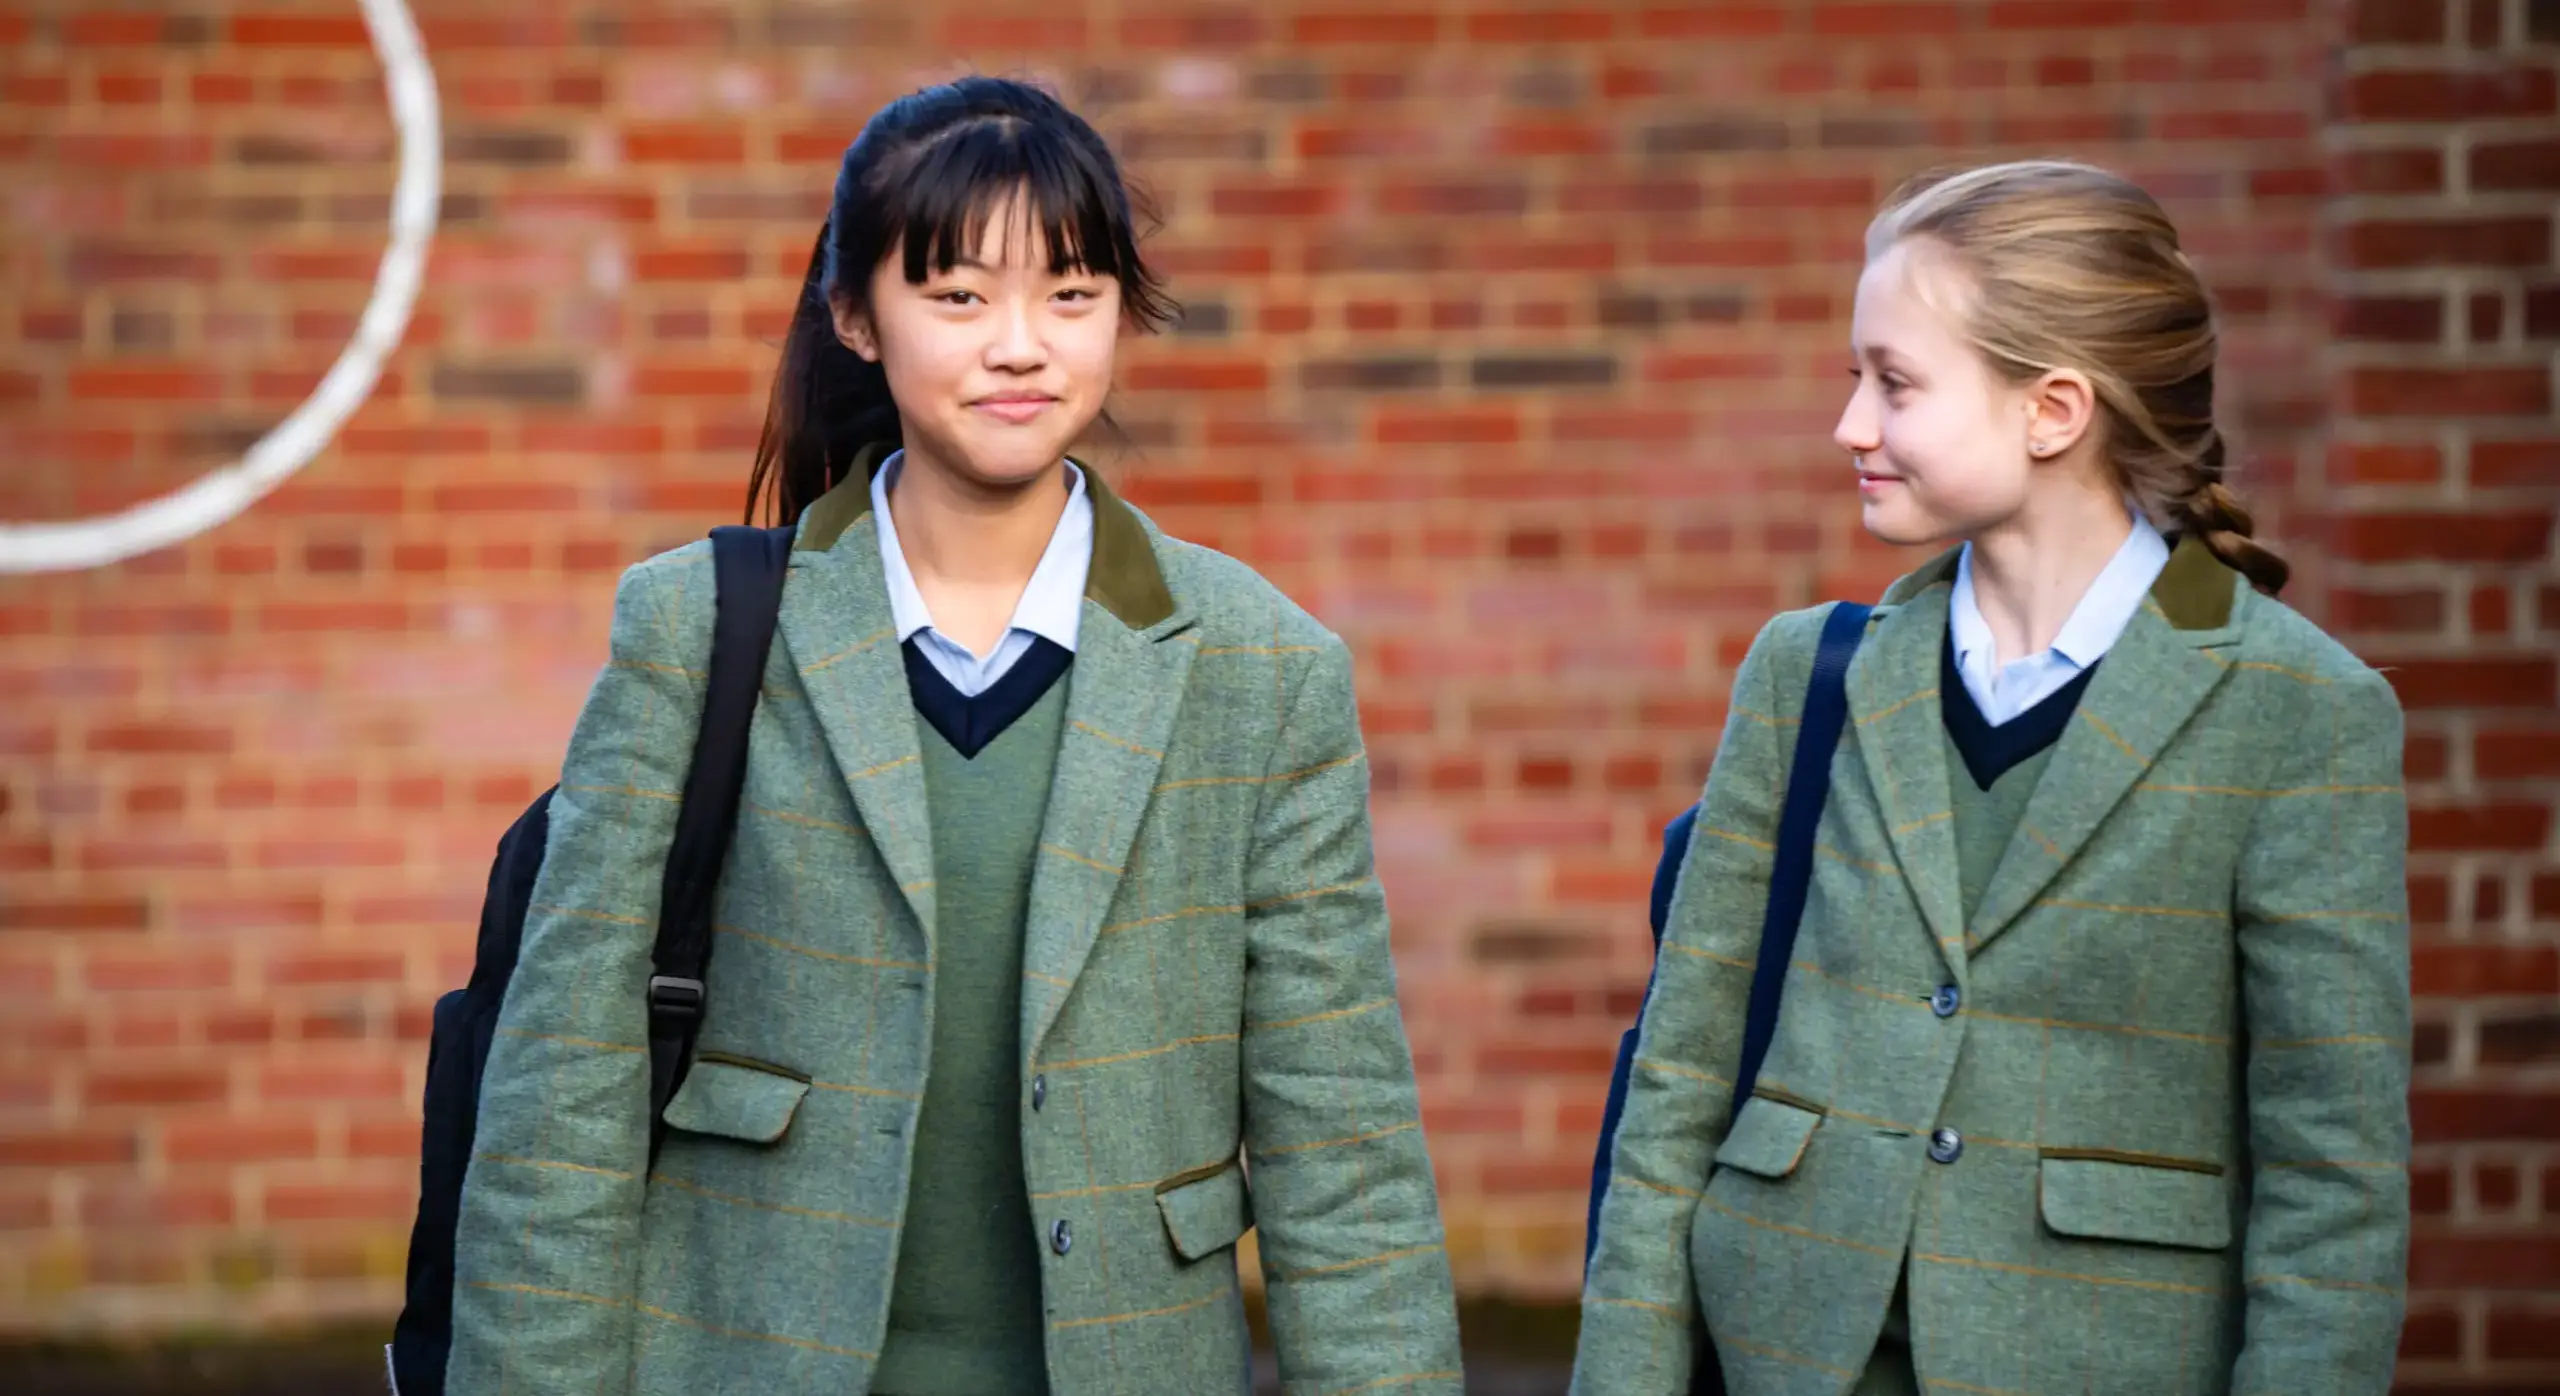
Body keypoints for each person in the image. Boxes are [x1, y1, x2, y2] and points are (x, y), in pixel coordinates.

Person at [448, 75, 1462, 1396]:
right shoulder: (696, 631)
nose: (1021, 344)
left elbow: (1345, 1147)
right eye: (960, 295)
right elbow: (560, 1107)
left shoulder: (1263, 671)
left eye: (1072, 293)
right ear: (856, 316)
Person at [1574, 159, 2411, 1396]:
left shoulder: (2299, 711)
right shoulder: (1807, 674)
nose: (1851, 424)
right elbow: (1678, 1080)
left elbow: (2330, 1180)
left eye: (1894, 383)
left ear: (2053, 409)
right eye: (1852, 378)